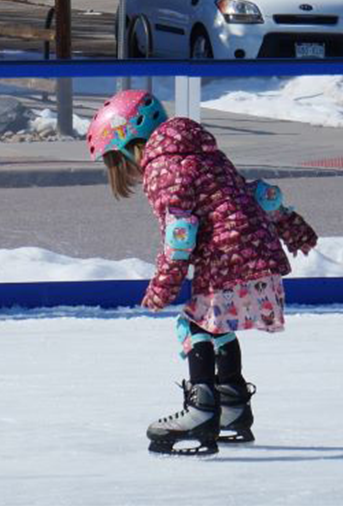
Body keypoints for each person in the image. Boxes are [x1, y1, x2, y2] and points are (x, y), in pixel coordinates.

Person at [86, 89, 317, 456]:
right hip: (257, 255)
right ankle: (234, 405)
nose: (126, 172)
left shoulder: (164, 168)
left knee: (192, 326)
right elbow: (255, 194)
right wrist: (292, 226)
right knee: (216, 325)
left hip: (227, 258)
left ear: (131, 146)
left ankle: (202, 409)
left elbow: (180, 238)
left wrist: (163, 286)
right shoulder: (200, 152)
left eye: (118, 161)